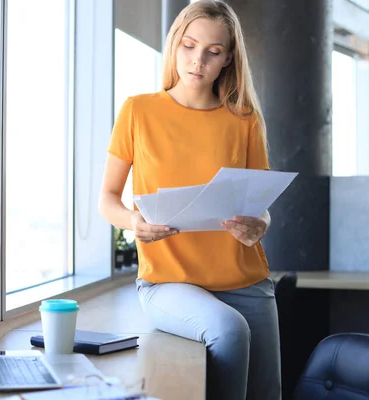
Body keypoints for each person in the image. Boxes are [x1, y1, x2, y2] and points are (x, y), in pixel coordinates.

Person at [98, 1, 281, 399]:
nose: (198, 61)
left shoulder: (245, 120)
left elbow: (259, 205)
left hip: (247, 282)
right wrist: (134, 223)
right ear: (174, 45)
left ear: (228, 59)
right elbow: (108, 200)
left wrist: (260, 225)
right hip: (168, 283)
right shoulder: (138, 111)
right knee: (228, 329)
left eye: (213, 52)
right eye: (189, 46)